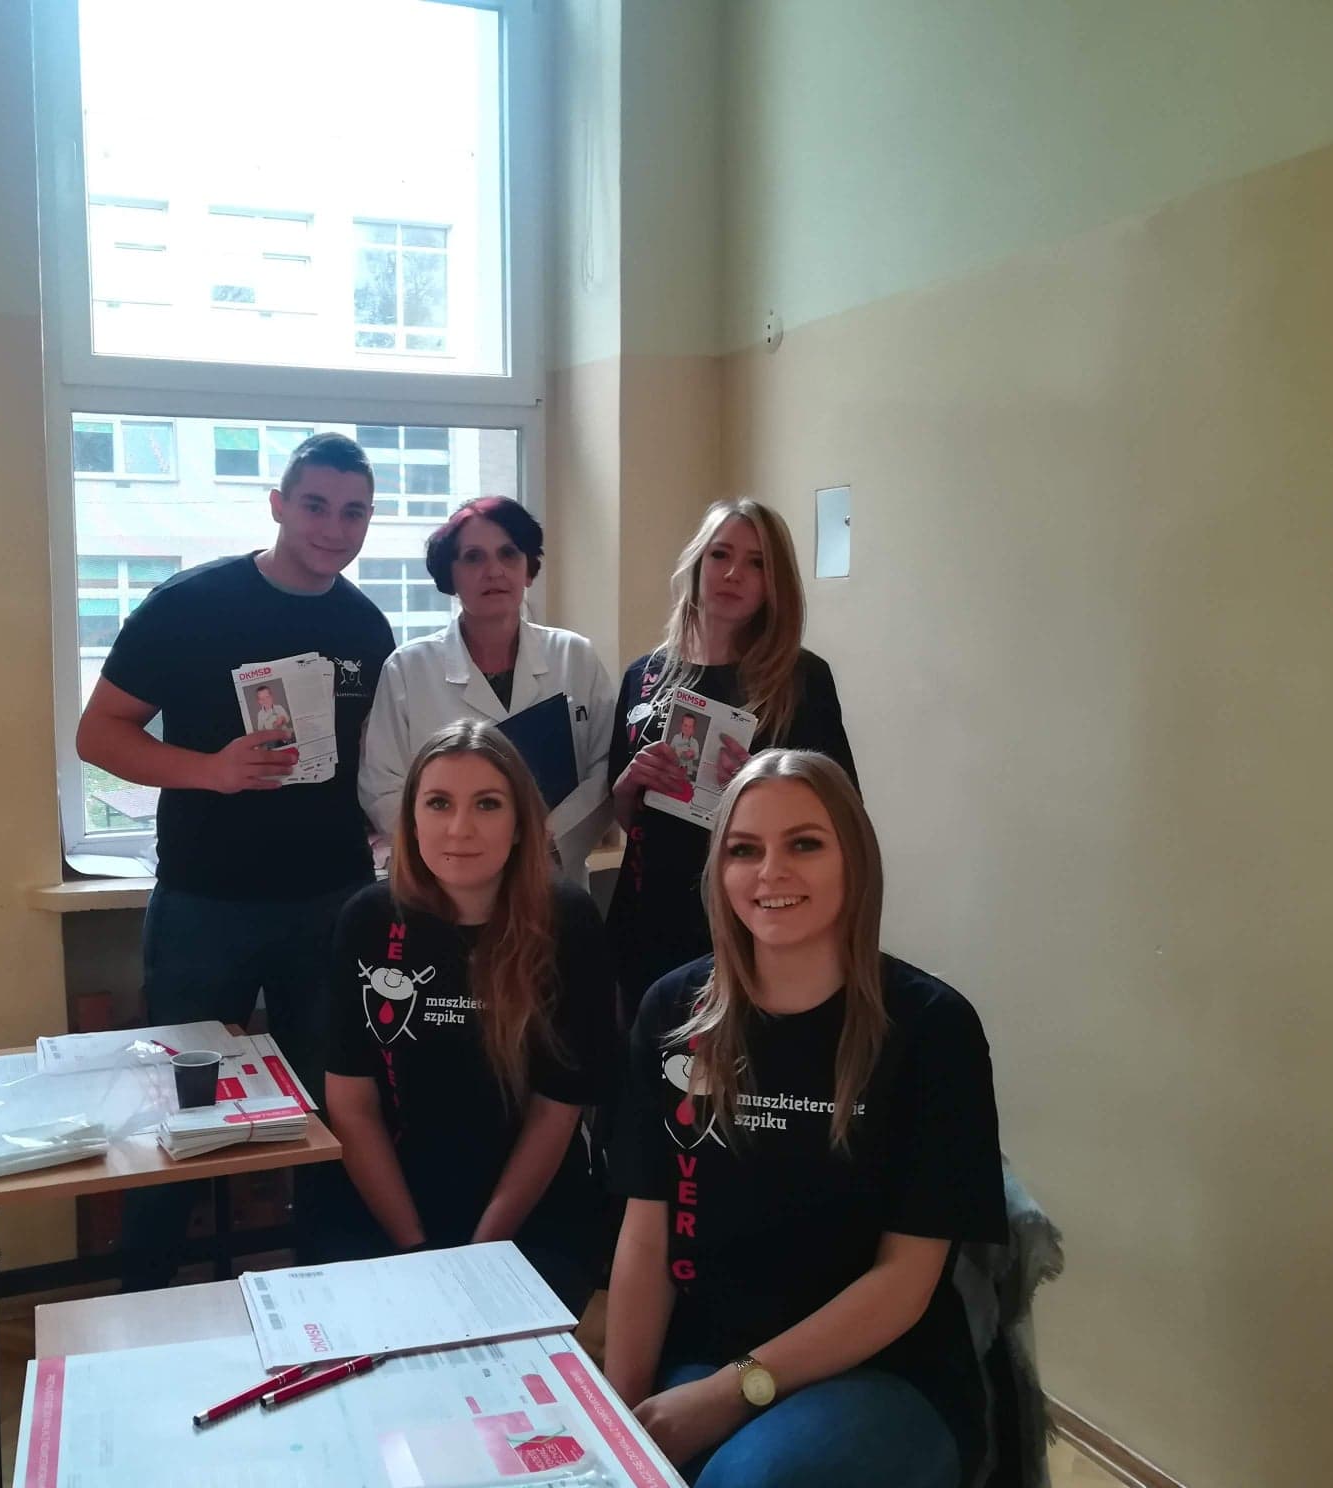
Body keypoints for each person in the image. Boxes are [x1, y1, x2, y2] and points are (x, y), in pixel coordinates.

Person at [603, 750, 1006, 1488]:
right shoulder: (671, 1011)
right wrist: (618, 1425)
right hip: (707, 1355)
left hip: (883, 1372)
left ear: (855, 859)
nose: (770, 873)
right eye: (744, 850)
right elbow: (646, 1234)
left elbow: (904, 1282)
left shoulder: (931, 1028)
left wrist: (730, 1393)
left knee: (749, 1481)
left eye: (805, 844)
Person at [76, 431, 395, 1284]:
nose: (333, 528)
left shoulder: (366, 624)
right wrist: (211, 771)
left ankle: (329, 1295)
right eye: (316, 505)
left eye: (354, 512)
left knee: (335, 1114)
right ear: (278, 505)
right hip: (204, 905)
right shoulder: (190, 605)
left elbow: (375, 756)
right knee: (178, 1115)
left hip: (332, 902)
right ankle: (145, 1301)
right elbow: (97, 735)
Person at [326, 721, 620, 1312]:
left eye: (487, 804)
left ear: (521, 824)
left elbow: (556, 1111)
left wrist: (477, 1259)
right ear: (411, 820)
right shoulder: (369, 920)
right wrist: (416, 1249)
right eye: (439, 803)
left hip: (530, 1214)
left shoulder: (568, 921)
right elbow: (352, 1107)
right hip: (389, 1207)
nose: (460, 828)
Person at [607, 499, 857, 1021]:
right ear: (697, 563)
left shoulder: (801, 679)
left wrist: (756, 786)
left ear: (774, 582)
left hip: (755, 913)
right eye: (720, 555)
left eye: (756, 562)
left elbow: (841, 813)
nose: (733, 573)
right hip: (648, 913)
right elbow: (632, 820)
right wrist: (629, 786)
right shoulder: (643, 675)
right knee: (652, 1060)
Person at [360, 497, 615, 884]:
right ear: (450, 576)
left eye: (508, 554)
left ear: (529, 569)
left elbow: (605, 769)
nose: (494, 571)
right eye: (473, 557)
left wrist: (540, 845)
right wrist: (451, 847)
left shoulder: (574, 656)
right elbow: (381, 785)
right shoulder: (408, 668)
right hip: (445, 881)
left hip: (551, 876)